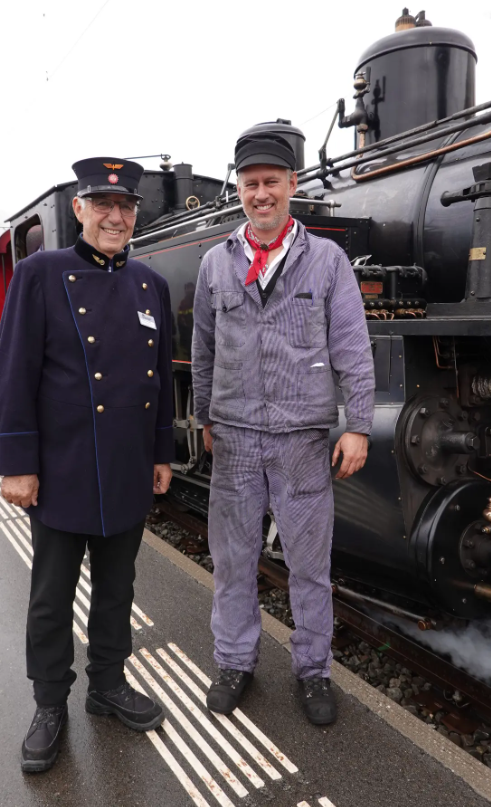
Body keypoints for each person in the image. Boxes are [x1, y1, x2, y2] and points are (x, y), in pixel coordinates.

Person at [0, 157, 174, 772]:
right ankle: (49, 704)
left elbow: (162, 384)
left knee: (118, 590)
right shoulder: (41, 273)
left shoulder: (151, 284)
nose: (115, 217)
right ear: (79, 210)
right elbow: (14, 372)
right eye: (103, 205)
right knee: (51, 596)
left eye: (125, 207)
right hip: (62, 469)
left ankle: (107, 685)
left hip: (125, 467)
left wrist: (160, 454)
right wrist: (16, 462)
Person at [191, 132, 375, 725]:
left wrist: (360, 425)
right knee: (234, 560)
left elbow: (353, 346)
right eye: (251, 184)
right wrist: (204, 416)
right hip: (237, 437)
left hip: (300, 440)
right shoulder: (215, 263)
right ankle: (234, 662)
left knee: (308, 566)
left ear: (293, 186)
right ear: (240, 190)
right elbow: (203, 348)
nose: (261, 193)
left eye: (272, 182)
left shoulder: (326, 261)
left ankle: (314, 672)